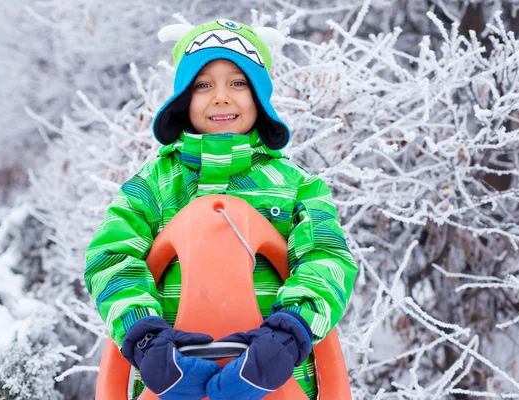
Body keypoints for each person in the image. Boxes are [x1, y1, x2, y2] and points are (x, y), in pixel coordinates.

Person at [85, 18, 358, 400]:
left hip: (277, 380)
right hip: (171, 380)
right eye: (203, 85)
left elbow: (326, 258)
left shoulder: (297, 186)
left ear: (259, 96)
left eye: (238, 83)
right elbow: (111, 259)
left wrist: (288, 334)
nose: (221, 97)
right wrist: (147, 339)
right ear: (183, 98)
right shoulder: (151, 187)